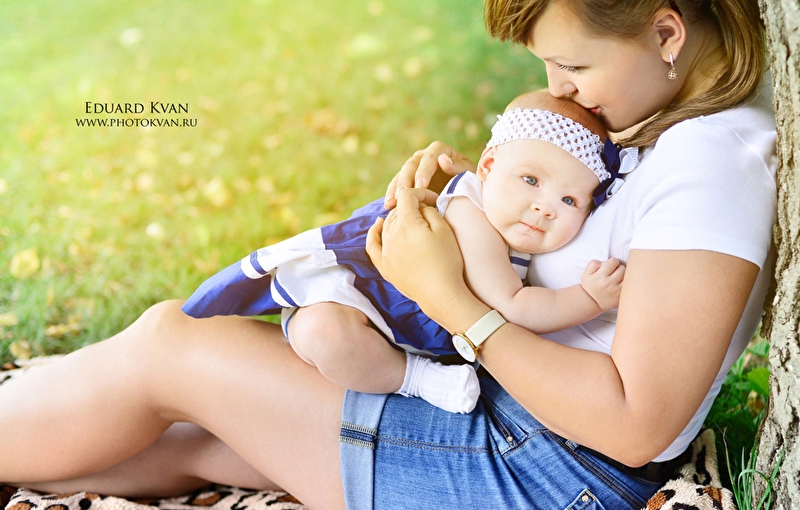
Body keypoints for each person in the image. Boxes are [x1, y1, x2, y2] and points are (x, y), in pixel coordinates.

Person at [0, 1, 775, 509]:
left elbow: (639, 426)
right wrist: (478, 204)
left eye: (574, 66)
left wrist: (451, 301)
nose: (559, 87)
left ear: (666, 34)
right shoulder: (668, 121)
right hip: (520, 425)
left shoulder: (714, 160)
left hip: (538, 470)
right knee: (203, 433)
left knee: (169, 348)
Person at [181, 91, 627, 414]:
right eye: (530, 180)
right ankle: (417, 380)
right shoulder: (475, 221)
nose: (544, 208)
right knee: (326, 335)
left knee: (325, 332)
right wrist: (588, 299)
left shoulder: (494, 208)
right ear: (488, 167)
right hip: (369, 307)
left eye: (569, 200)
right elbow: (514, 306)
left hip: (384, 322)